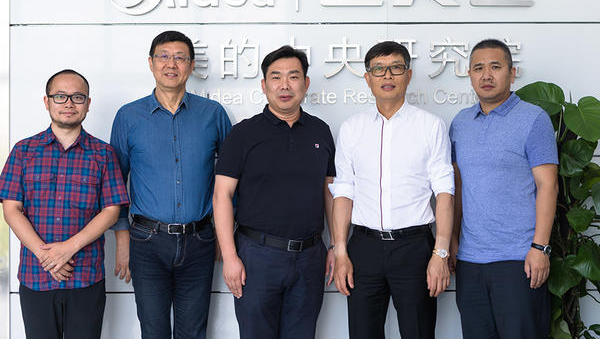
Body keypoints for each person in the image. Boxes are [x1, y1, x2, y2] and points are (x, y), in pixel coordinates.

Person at [110, 30, 232, 339]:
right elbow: (115, 184)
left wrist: (225, 234)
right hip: (146, 242)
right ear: (150, 63)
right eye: (163, 56)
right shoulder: (128, 116)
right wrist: (122, 240)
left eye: (180, 57)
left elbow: (232, 179)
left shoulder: (213, 114)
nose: (171, 64)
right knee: (153, 330)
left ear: (191, 66)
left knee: (194, 331)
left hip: (200, 240)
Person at [331, 41, 454, 339]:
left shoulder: (430, 126)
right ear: (368, 78)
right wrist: (341, 251)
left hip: (414, 248)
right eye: (379, 69)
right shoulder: (352, 128)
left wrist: (440, 253)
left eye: (396, 68)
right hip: (364, 248)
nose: (387, 76)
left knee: (418, 332)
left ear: (408, 75)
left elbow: (444, 193)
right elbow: (344, 192)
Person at [213, 45, 336, 339]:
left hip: (310, 257)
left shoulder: (320, 131)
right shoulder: (243, 134)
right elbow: (221, 196)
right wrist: (230, 256)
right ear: (264, 85)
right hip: (257, 256)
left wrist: (336, 245)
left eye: (293, 77)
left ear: (306, 83)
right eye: (276, 77)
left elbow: (330, 192)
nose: (285, 85)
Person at [0, 69, 128, 339]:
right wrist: (46, 256)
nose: (69, 103)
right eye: (60, 96)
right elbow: (11, 209)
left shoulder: (103, 154)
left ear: (88, 104)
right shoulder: (23, 151)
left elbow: (111, 210)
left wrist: (68, 248)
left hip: (86, 276)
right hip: (36, 276)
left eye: (77, 97)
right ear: (46, 102)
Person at [449, 39, 558, 339]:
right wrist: (453, 240)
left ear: (512, 73)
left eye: (495, 67)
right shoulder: (460, 123)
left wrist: (540, 248)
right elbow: (458, 186)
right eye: (478, 68)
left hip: (519, 260)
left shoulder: (533, 118)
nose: (486, 75)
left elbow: (548, 184)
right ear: (469, 75)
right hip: (470, 261)